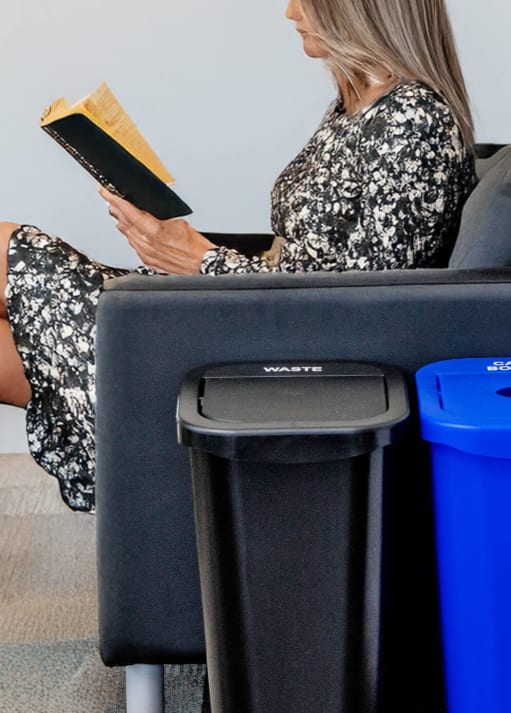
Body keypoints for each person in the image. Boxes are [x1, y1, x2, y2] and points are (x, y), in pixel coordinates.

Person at [0, 0, 476, 513]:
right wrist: (183, 248)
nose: (290, 11)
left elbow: (355, 303)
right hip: (250, 316)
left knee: (8, 247)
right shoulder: (357, 103)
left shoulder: (412, 119)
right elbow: (312, 269)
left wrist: (201, 261)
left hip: (268, 345)